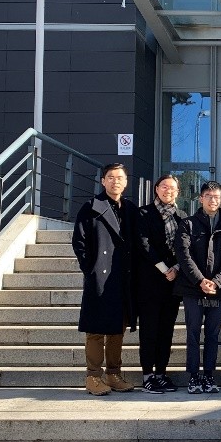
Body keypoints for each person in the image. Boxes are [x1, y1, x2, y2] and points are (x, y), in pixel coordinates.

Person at [71, 163, 140, 397]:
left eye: (120, 177)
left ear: (126, 182)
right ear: (103, 181)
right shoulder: (91, 207)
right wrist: (90, 269)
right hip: (99, 277)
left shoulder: (130, 209)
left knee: (117, 329)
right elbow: (79, 242)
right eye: (110, 177)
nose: (115, 181)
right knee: (95, 329)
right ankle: (93, 376)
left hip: (123, 278)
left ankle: (113, 374)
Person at [175, 181, 221, 395]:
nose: (212, 200)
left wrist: (217, 281)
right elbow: (183, 255)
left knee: (213, 334)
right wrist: (200, 280)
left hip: (218, 288)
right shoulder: (188, 223)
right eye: (208, 196)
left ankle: (209, 375)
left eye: (216, 196)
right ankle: (193, 377)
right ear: (201, 198)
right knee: (193, 333)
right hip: (192, 288)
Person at [134, 174, 187, 393]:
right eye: (164, 186)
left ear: (178, 192)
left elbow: (186, 247)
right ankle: (147, 375)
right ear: (156, 189)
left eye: (172, 188)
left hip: (173, 283)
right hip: (150, 280)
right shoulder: (143, 213)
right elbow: (143, 243)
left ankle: (161, 373)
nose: (168, 191)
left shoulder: (182, 216)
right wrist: (165, 269)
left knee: (166, 329)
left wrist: (176, 268)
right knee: (149, 329)